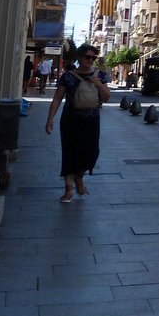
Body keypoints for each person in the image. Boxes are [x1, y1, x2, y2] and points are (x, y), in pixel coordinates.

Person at [44, 44, 109, 203]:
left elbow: (106, 97)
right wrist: (50, 118)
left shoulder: (100, 75)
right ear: (80, 57)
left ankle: (79, 177)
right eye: (87, 57)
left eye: (93, 58)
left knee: (91, 152)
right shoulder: (68, 76)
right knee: (70, 153)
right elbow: (58, 98)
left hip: (91, 120)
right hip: (70, 120)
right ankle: (68, 190)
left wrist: (98, 83)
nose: (90, 60)